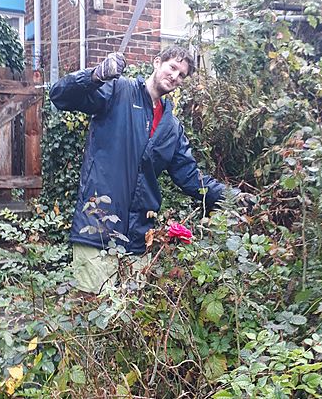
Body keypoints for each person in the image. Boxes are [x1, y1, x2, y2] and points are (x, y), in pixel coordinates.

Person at [49, 46, 231, 294]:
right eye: (172, 67)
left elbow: (190, 177)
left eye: (182, 75)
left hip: (138, 238)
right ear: (157, 63)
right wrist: (95, 76)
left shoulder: (171, 127)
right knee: (91, 311)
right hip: (97, 227)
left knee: (129, 320)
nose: (175, 76)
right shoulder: (117, 91)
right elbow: (60, 96)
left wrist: (230, 197)